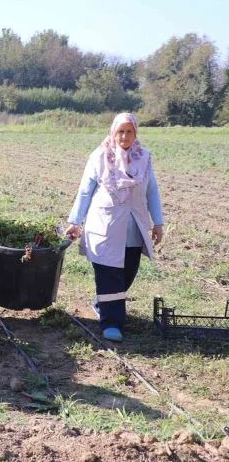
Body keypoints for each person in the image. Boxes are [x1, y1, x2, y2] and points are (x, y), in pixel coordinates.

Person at [65, 112, 164, 343]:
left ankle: (103, 304)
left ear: (136, 133)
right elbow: (85, 191)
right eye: (121, 131)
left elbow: (152, 191)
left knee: (127, 274)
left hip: (133, 229)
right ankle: (112, 322)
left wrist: (158, 223)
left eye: (130, 132)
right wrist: (75, 221)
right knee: (109, 275)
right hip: (105, 227)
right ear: (113, 132)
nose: (125, 136)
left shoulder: (145, 158)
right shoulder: (99, 156)